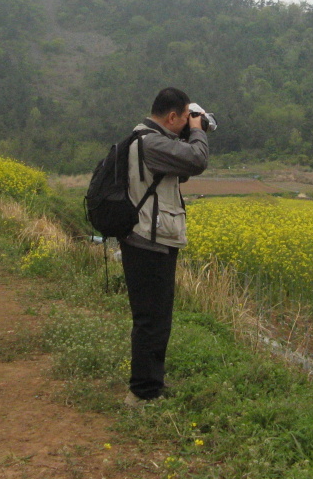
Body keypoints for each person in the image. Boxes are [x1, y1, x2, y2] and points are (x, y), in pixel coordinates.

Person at [121, 87, 209, 405]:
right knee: (152, 319)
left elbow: (180, 171)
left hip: (147, 237)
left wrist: (187, 134)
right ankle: (143, 394)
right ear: (172, 117)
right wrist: (197, 132)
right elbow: (197, 160)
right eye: (186, 116)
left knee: (155, 317)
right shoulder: (151, 141)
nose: (189, 122)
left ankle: (150, 385)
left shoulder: (147, 140)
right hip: (149, 239)